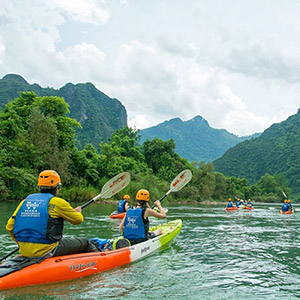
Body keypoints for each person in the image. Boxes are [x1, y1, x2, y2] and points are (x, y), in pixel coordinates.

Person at [6, 170, 99, 258]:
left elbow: (9, 227)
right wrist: (78, 212)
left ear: (39, 187)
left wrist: (22, 244)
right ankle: (100, 260)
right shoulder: (58, 202)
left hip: (24, 250)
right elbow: (78, 220)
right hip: (48, 250)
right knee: (85, 242)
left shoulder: (24, 202)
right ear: (57, 187)